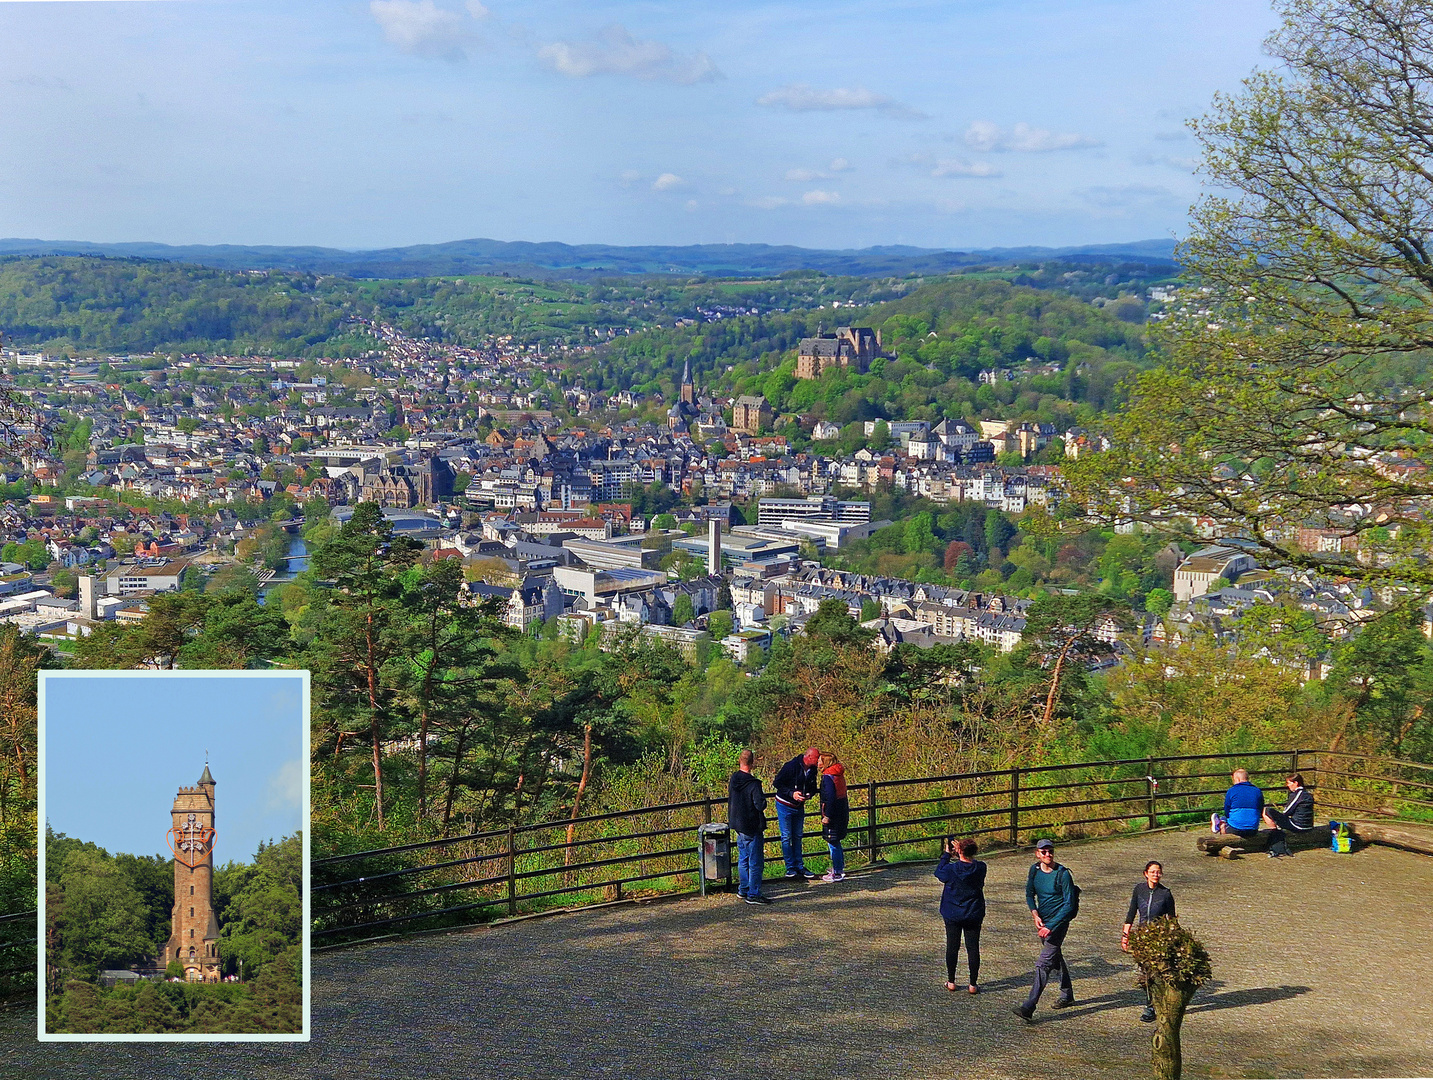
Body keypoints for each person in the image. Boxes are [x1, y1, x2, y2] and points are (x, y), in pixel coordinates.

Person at [1013, 839, 1078, 1021]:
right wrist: (1035, 914)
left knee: (1044, 963)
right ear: (1037, 854)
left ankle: (1029, 1006)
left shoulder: (1063, 874)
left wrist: (1051, 926)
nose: (1048, 855)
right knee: (1056, 957)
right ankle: (1067, 994)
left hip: (1058, 924)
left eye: (1050, 851)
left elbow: (1069, 904)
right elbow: (1029, 894)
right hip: (1044, 921)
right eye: (1044, 852)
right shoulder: (1034, 871)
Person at [1121, 860, 1176, 1023]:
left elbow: (1172, 919)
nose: (1156, 875)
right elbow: (1131, 914)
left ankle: (1155, 1005)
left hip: (1158, 939)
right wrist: (1125, 936)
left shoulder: (1166, 894)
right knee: (1146, 972)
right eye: (1152, 872)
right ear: (1146, 874)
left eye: (1158, 872)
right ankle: (1150, 1004)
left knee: (1157, 972)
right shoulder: (1139, 890)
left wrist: (1173, 938)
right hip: (1142, 937)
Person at [934, 836, 986, 994]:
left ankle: (951, 981)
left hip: (952, 912)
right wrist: (961, 850)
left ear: (959, 851)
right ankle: (972, 984)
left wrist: (947, 854)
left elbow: (938, 872)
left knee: (952, 946)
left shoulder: (952, 869)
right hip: (973, 912)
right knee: (973, 948)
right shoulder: (981, 867)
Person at [727, 749, 771, 905]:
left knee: (743, 858)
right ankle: (754, 893)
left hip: (738, 824)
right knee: (755, 861)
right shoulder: (754, 784)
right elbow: (760, 805)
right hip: (752, 826)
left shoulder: (734, 779)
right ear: (752, 763)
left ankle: (743, 888)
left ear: (740, 761)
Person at [772, 746, 821, 880]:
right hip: (785, 805)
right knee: (787, 836)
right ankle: (790, 867)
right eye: (817, 758)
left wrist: (809, 794)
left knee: (798, 836)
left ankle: (799, 865)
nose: (819, 761)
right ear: (809, 757)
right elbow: (777, 783)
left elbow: (813, 786)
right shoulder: (791, 766)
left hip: (799, 806)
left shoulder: (812, 770)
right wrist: (791, 793)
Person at [1262, 772, 1314, 858]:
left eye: (1289, 783)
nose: (1287, 785)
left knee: (1267, 810)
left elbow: (1287, 811)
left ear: (1296, 783)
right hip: (1308, 825)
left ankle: (1274, 833)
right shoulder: (1307, 794)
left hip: (1298, 826)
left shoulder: (1297, 794)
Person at [818, 751, 849, 882]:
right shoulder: (838, 774)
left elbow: (830, 797)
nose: (817, 763)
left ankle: (837, 872)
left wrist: (827, 815)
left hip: (833, 813)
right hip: (842, 810)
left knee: (832, 841)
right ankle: (839, 868)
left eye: (819, 760)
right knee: (836, 841)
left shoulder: (828, 777)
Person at [1215, 768, 1265, 839]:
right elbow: (1260, 809)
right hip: (1253, 830)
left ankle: (1222, 829)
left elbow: (1227, 810)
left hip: (1236, 829)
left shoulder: (1232, 790)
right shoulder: (1257, 791)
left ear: (1237, 779)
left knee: (1224, 818)